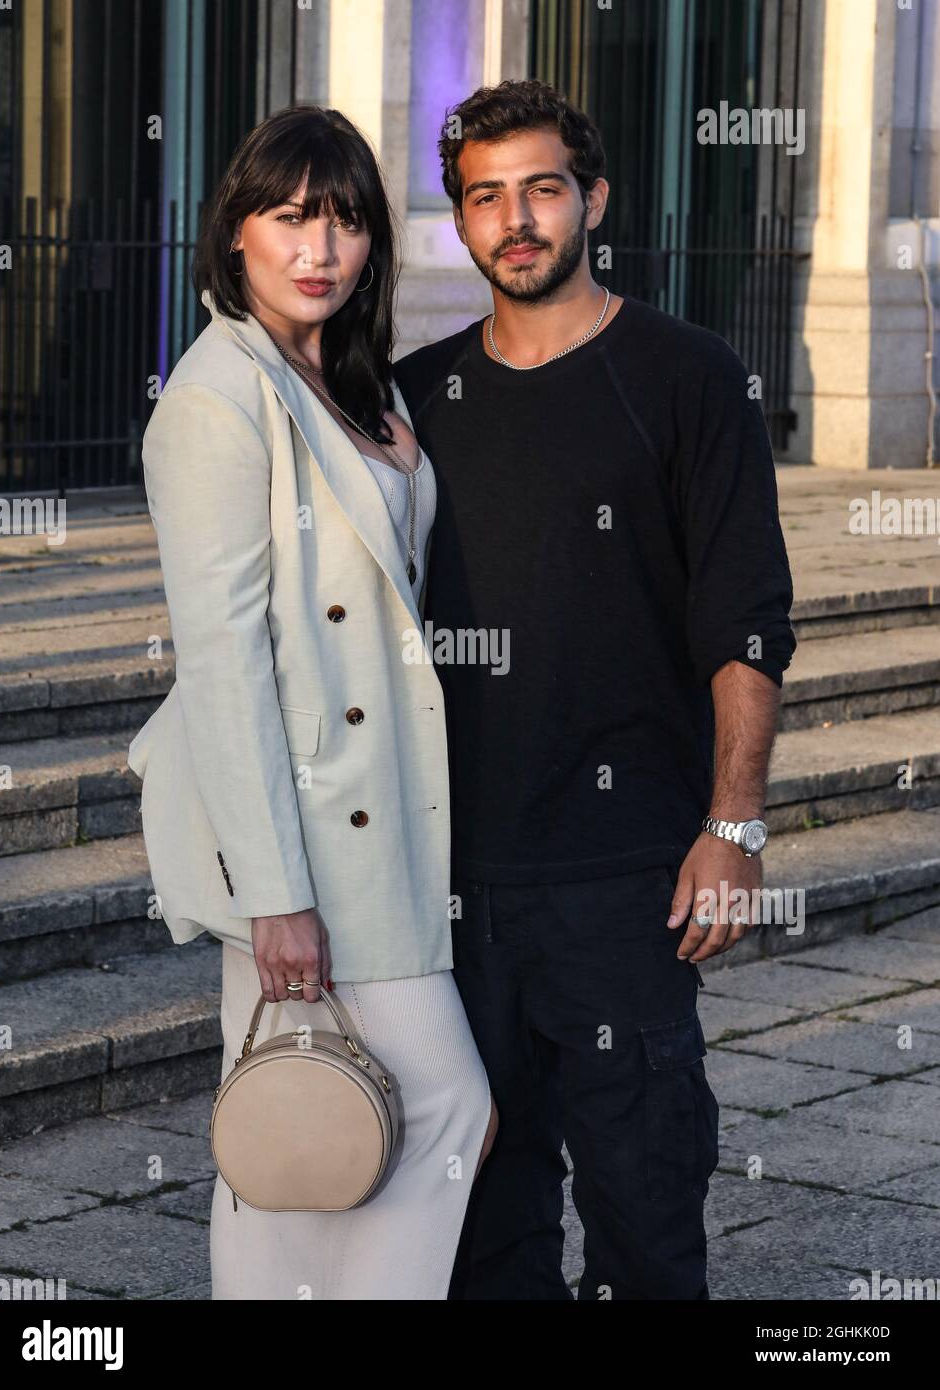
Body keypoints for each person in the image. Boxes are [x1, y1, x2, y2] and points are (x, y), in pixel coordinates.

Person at [392, 78, 798, 1301]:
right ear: (460, 221)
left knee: (644, 1212)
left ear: (594, 200)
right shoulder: (412, 401)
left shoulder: (688, 376)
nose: (514, 220)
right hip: (450, 883)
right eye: (484, 198)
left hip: (624, 879)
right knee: (480, 1230)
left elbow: (745, 625)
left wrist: (732, 826)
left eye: (541, 190)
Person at [127, 105, 496, 1301]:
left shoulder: (344, 380)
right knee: (445, 1106)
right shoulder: (216, 398)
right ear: (236, 230)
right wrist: (275, 893)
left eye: (343, 221)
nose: (319, 248)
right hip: (306, 831)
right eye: (290, 218)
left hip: (375, 806)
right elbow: (224, 662)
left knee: (297, 1123)